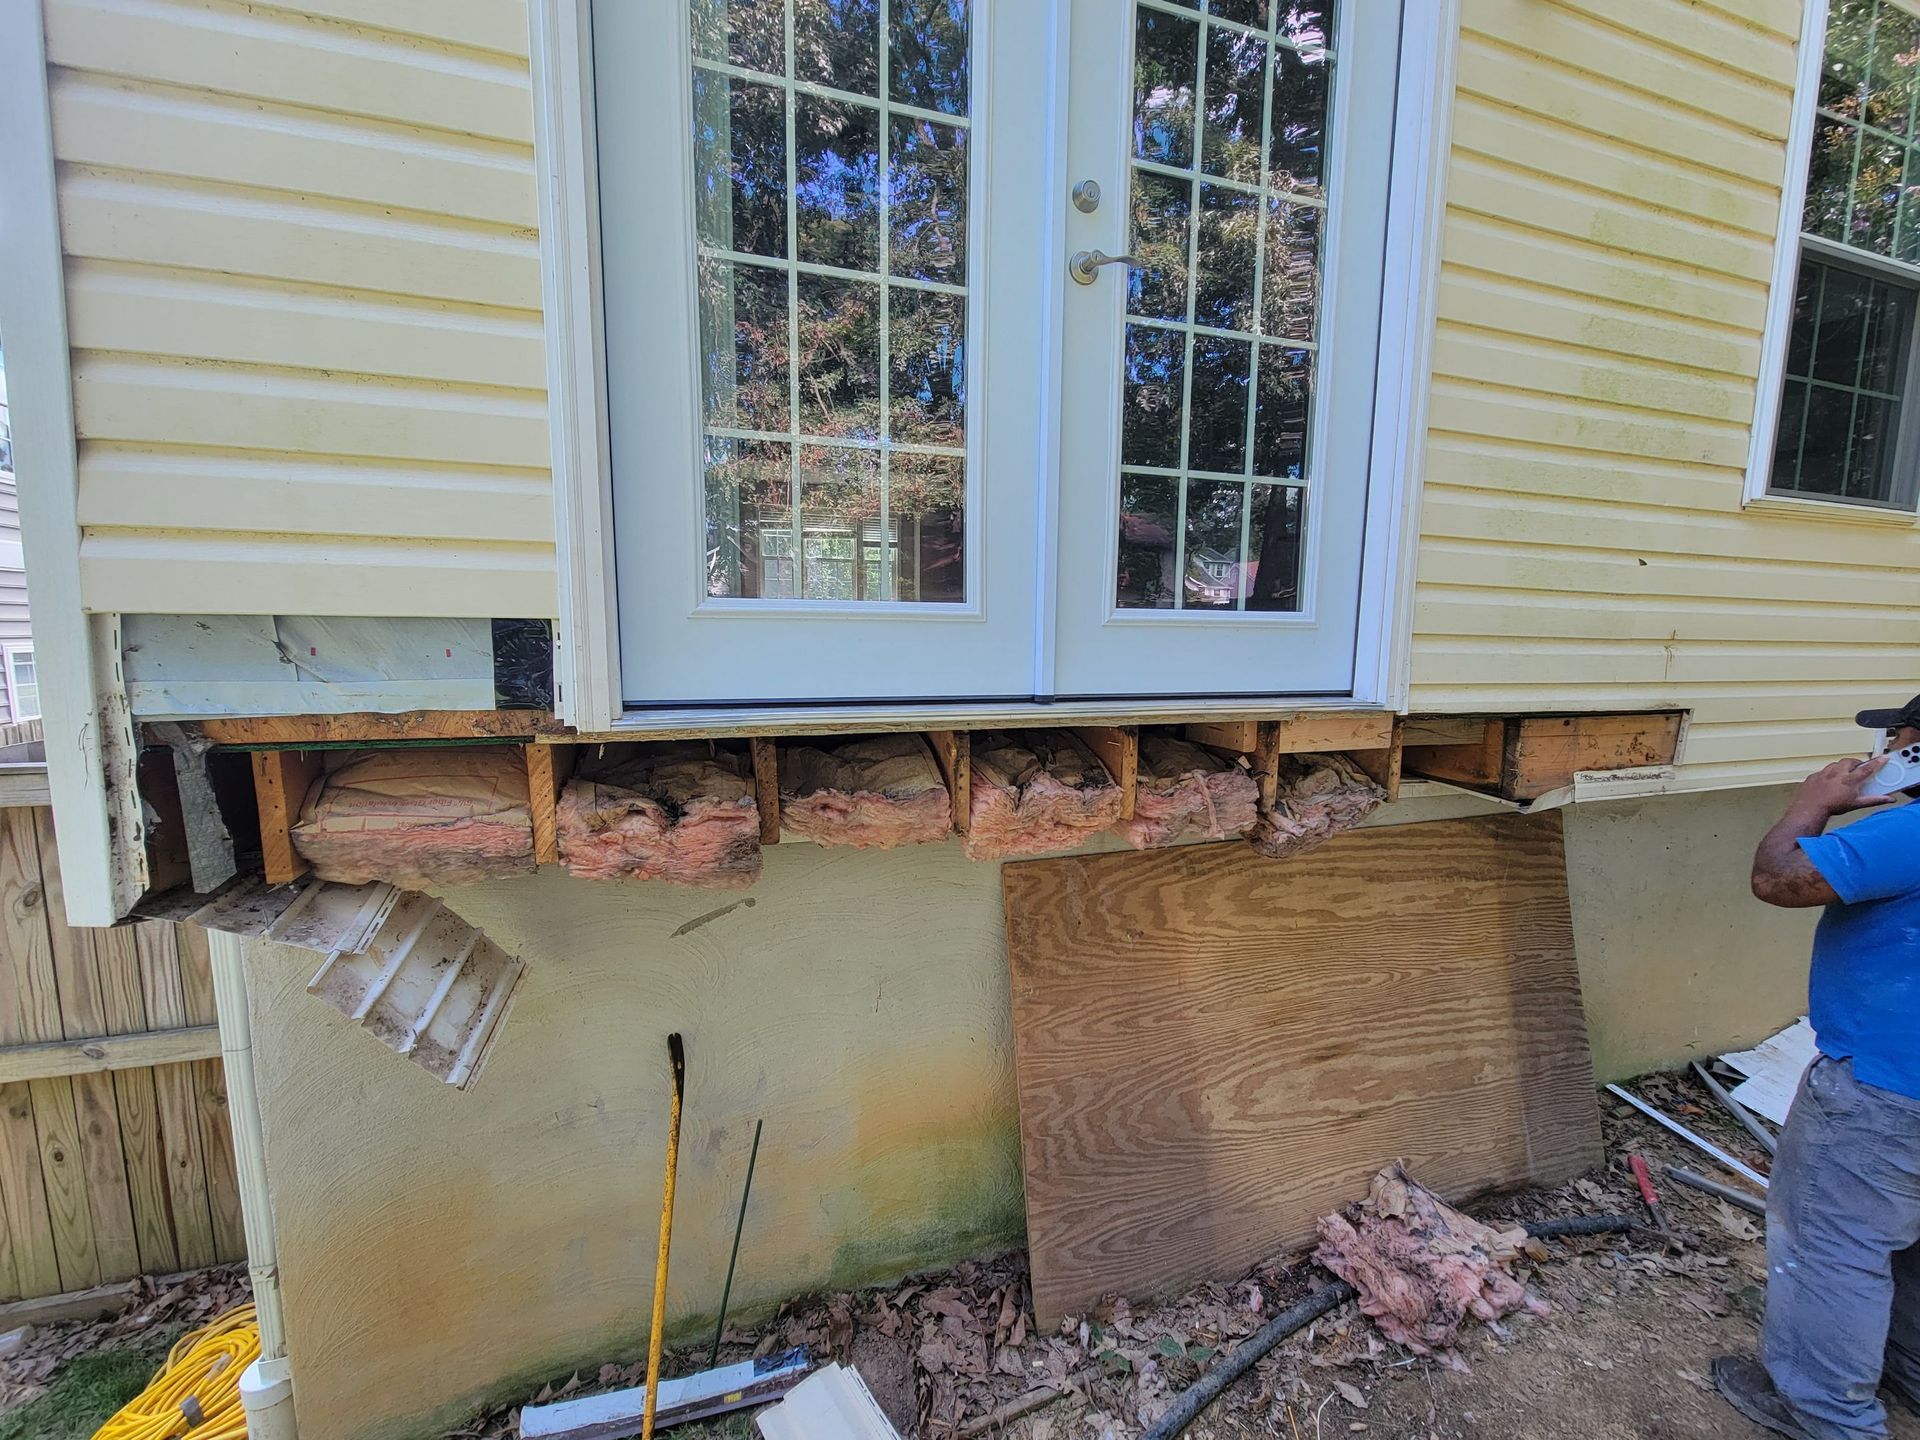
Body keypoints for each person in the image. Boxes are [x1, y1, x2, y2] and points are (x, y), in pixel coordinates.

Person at [1714, 695, 1920, 1440]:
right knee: (1909, 1233)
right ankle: (1909, 1369)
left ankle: (1828, 1413)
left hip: (1888, 1089)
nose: (1886, 746)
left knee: (1833, 1244)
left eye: (1897, 736)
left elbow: (1778, 879)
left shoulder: (1910, 833)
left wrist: (1815, 800)